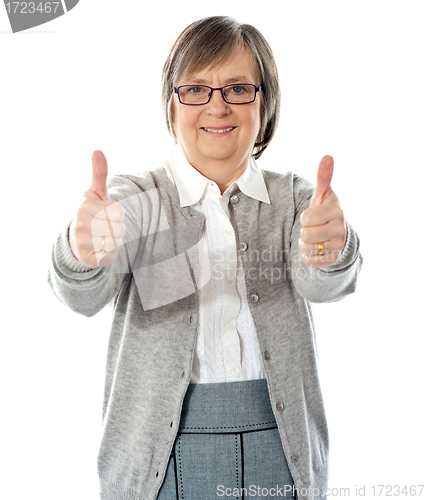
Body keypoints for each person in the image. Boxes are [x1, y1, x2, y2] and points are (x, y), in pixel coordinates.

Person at [48, 16, 362, 500]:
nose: (217, 105)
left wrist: (332, 250)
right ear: (172, 105)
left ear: (265, 104)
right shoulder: (135, 199)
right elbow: (82, 293)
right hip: (163, 458)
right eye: (195, 89)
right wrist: (82, 249)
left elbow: (323, 282)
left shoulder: (296, 200)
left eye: (238, 88)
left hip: (280, 450)